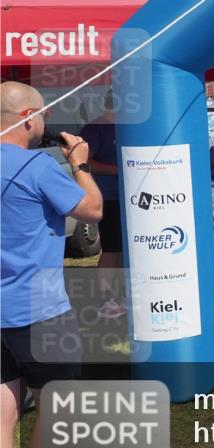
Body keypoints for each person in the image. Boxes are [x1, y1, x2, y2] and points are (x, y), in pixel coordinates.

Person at [1, 81, 103, 448]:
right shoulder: (35, 168)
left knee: (3, 410)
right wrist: (78, 164)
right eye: (42, 114)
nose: (45, 122)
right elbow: (93, 210)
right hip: (41, 312)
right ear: (27, 118)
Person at [79, 90, 125, 319]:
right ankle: (105, 298)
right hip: (107, 196)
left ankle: (118, 296)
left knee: (123, 250)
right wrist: (121, 170)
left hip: (129, 197)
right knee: (112, 249)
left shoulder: (125, 126)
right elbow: (86, 163)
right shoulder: (94, 128)